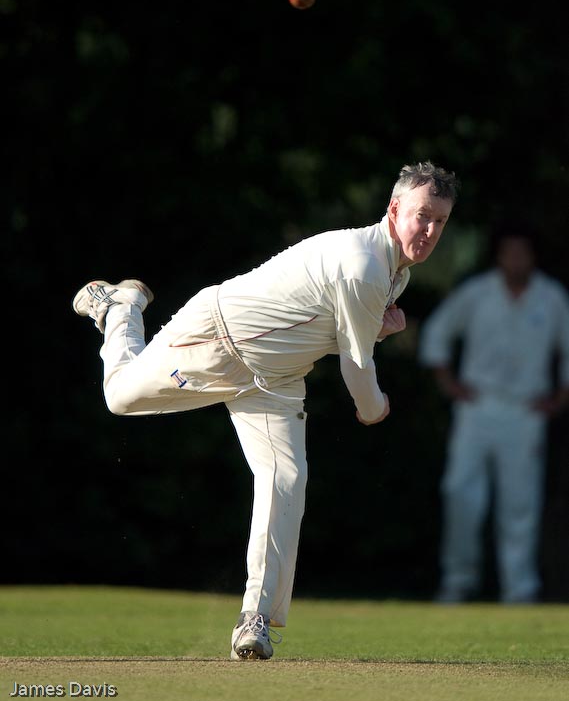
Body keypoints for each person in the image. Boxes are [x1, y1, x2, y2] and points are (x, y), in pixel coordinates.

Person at [73, 160, 459, 659]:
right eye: (422, 216)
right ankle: (121, 308)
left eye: (440, 221)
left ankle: (253, 620)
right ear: (394, 209)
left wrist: (376, 330)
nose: (429, 231)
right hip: (218, 338)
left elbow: (335, 330)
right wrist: (374, 408)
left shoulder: (394, 275)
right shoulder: (364, 264)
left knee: (286, 480)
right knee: (119, 398)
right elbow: (356, 366)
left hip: (275, 378)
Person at [419, 225, 569, 604]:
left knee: (520, 502)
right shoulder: (477, 292)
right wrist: (450, 384)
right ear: (499, 257)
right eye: (509, 252)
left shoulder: (551, 297)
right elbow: (437, 333)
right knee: (460, 492)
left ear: (533, 257)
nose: (516, 260)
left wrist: (559, 398)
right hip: (477, 406)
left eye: (523, 253)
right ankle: (458, 581)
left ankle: (519, 589)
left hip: (526, 409)